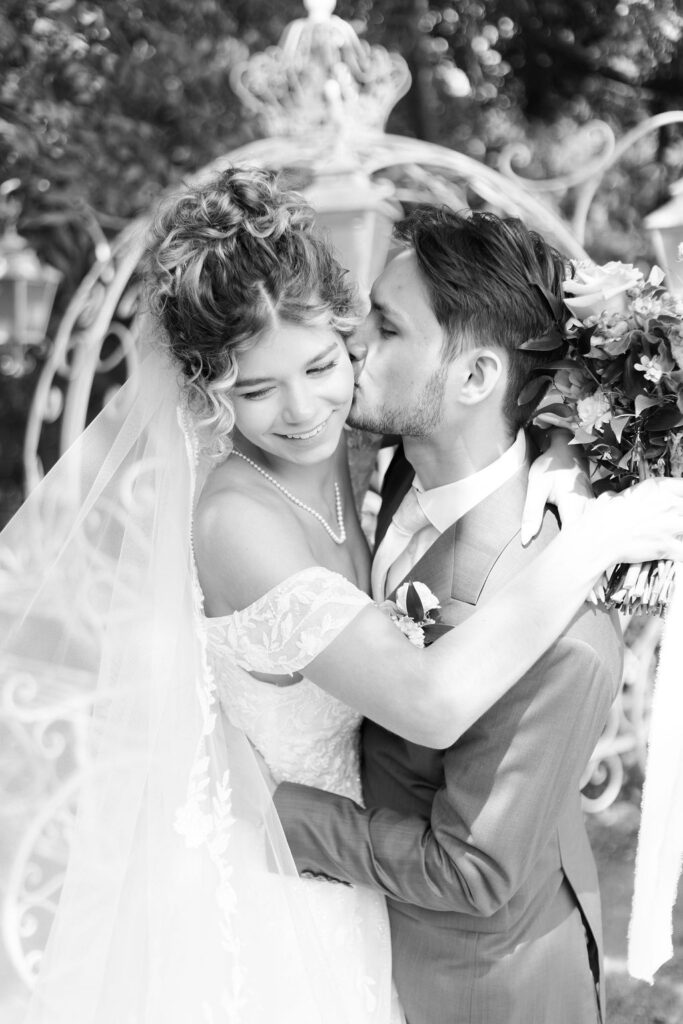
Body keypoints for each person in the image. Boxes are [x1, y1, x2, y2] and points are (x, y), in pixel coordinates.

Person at [6, 168, 683, 1024]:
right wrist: (587, 538)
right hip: (270, 906)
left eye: (335, 356)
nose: (305, 407)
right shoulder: (259, 506)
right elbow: (428, 698)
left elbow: (492, 394)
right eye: (253, 390)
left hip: (457, 963)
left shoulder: (393, 463)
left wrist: (567, 476)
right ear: (209, 389)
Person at [269, 207, 643, 1024]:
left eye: (386, 328)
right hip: (354, 946)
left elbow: (471, 872)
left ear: (474, 379)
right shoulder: (407, 454)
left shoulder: (560, 635)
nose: (349, 343)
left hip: (475, 990)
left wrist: (283, 817)